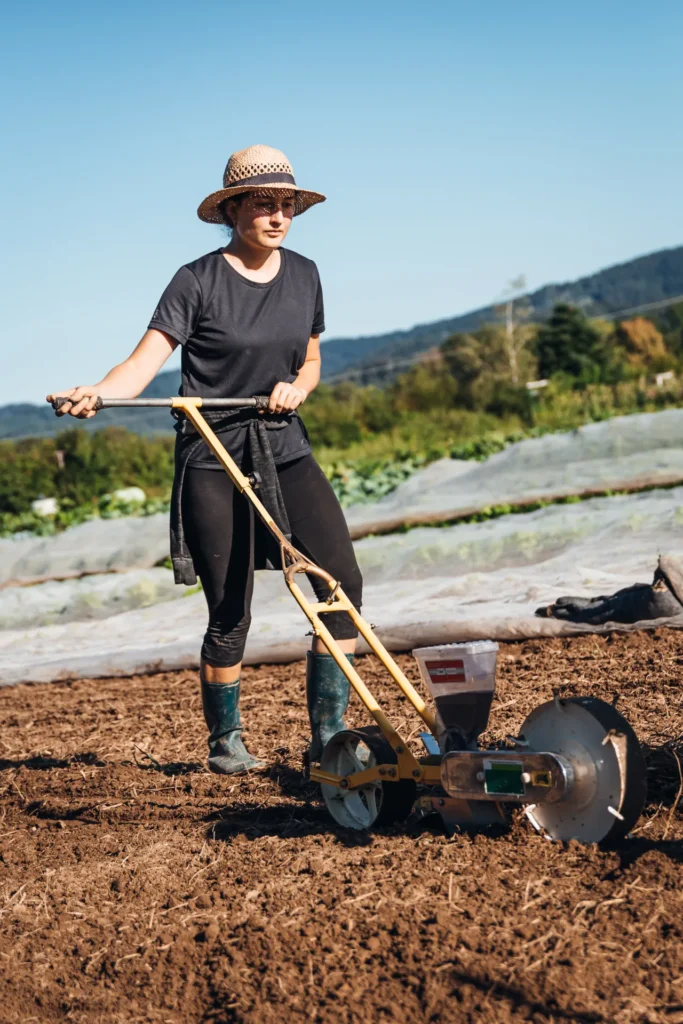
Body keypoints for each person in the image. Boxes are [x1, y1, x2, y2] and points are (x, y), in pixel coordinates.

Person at [46, 144, 363, 775]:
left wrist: (298, 387)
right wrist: (98, 394)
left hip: (284, 446)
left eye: (287, 205)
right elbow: (143, 364)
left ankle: (329, 737)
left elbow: (311, 359)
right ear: (233, 210)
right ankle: (226, 740)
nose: (278, 216)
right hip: (213, 453)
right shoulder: (197, 280)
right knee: (230, 605)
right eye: (264, 204)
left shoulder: (305, 273)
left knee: (341, 584)